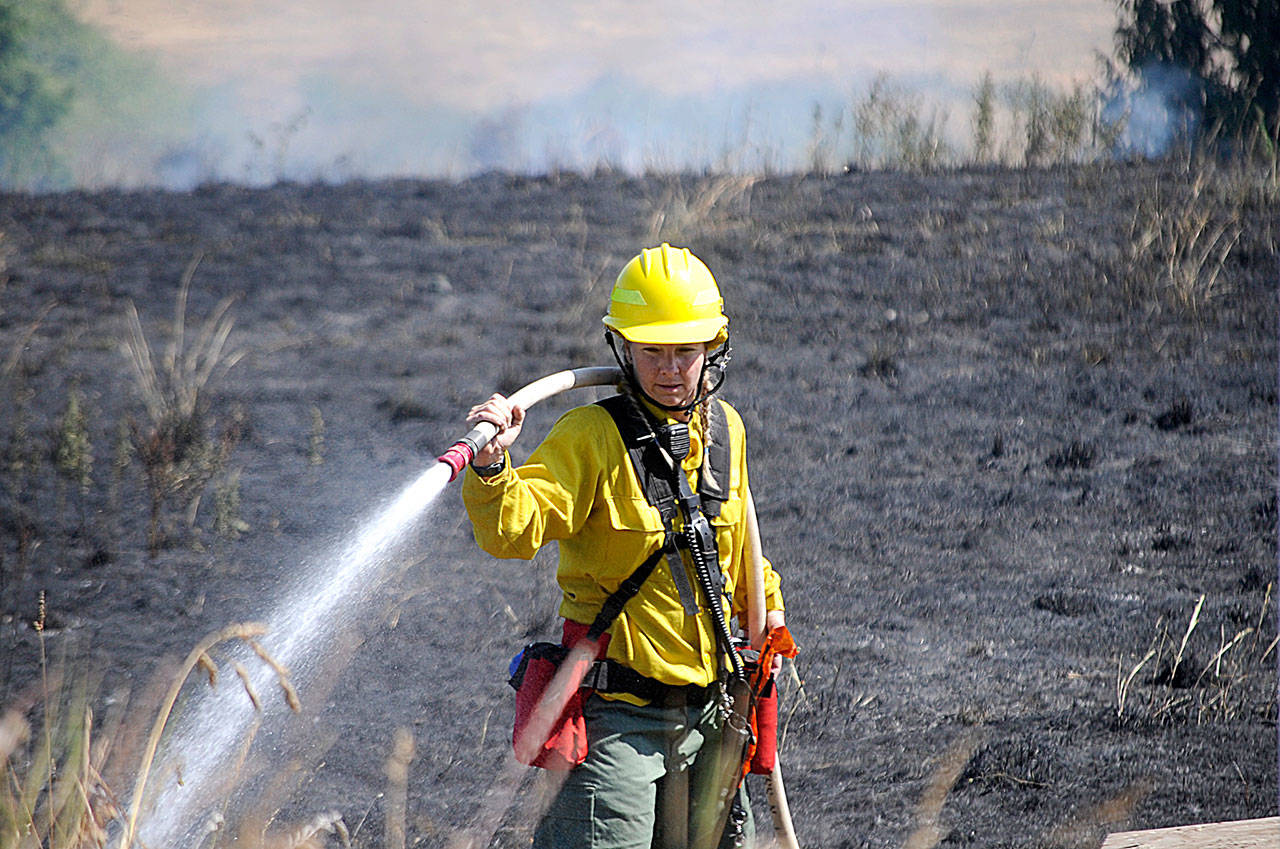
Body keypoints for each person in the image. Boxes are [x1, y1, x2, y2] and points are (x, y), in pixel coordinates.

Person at [461, 243, 786, 849]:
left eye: (685, 351)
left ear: (712, 348)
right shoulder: (590, 437)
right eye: (651, 350)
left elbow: (732, 549)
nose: (669, 368)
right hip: (617, 719)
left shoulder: (724, 432)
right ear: (623, 347)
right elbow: (515, 528)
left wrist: (767, 604)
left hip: (712, 716)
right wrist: (492, 466)